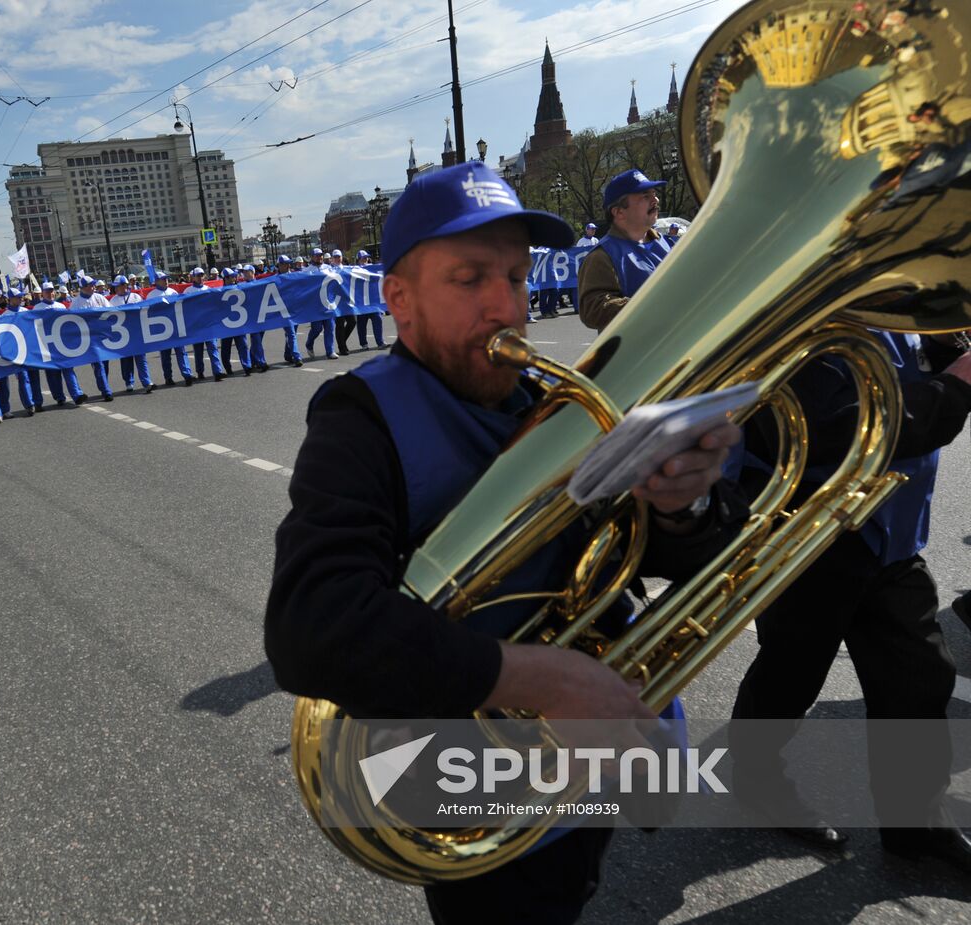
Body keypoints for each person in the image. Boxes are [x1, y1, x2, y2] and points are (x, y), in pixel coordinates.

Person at [263, 161, 743, 925]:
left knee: (573, 888)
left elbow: (646, 553)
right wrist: (541, 680)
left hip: (588, 763)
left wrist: (683, 503)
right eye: (469, 279)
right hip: (468, 783)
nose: (506, 306)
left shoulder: (552, 399)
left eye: (517, 278)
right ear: (399, 299)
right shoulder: (359, 417)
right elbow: (310, 628)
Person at [730, 330, 971, 869]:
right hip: (814, 538)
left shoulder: (887, 310)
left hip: (890, 533)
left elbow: (902, 364)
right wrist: (955, 388)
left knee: (920, 678)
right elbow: (836, 427)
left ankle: (916, 825)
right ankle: (755, 776)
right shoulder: (805, 317)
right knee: (790, 673)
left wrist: (945, 351)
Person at [577, 169, 673, 331]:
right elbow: (592, 310)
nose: (655, 200)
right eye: (645, 196)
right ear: (619, 212)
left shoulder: (662, 242)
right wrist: (653, 304)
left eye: (654, 193)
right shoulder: (601, 256)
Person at [0, 293, 37, 423]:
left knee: (24, 377)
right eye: (18, 297)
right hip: (10, 353)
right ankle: (1, 411)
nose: (20, 299)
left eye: (21, 297)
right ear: (11, 299)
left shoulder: (25, 311)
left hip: (25, 351)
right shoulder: (4, 316)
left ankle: (29, 404)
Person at [68, 277, 116, 401]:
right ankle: (106, 391)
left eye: (93, 285)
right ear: (83, 287)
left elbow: (111, 311)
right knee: (98, 363)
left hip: (102, 336)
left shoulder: (99, 298)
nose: (93, 287)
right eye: (90, 285)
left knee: (103, 363)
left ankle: (104, 385)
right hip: (88, 339)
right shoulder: (76, 303)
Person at [108, 276, 155, 393]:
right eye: (115, 287)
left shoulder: (135, 297)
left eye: (118, 286)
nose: (116, 289)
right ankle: (129, 382)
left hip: (137, 333)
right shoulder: (112, 301)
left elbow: (144, 311)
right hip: (122, 336)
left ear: (125, 285)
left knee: (141, 358)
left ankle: (147, 382)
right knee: (125, 359)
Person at [184, 268, 228, 381]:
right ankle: (200, 372)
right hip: (196, 326)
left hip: (209, 325)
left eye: (202, 275)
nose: (200, 277)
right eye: (198, 275)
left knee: (213, 348)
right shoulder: (188, 291)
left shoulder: (208, 289)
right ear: (193, 277)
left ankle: (217, 372)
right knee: (198, 351)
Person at [354, 250, 388, 351]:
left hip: (373, 301)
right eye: (363, 258)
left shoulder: (373, 268)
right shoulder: (354, 270)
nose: (366, 259)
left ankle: (380, 342)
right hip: (361, 302)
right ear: (358, 259)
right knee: (361, 324)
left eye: (366, 257)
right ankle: (364, 344)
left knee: (378, 320)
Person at [274, 256, 304, 368]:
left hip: (294, 309)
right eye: (285, 264)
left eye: (288, 263)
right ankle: (297, 357)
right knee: (291, 333)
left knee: (292, 333)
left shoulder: (294, 276)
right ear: (279, 265)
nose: (288, 266)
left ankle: (287, 354)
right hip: (283, 310)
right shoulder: (274, 279)